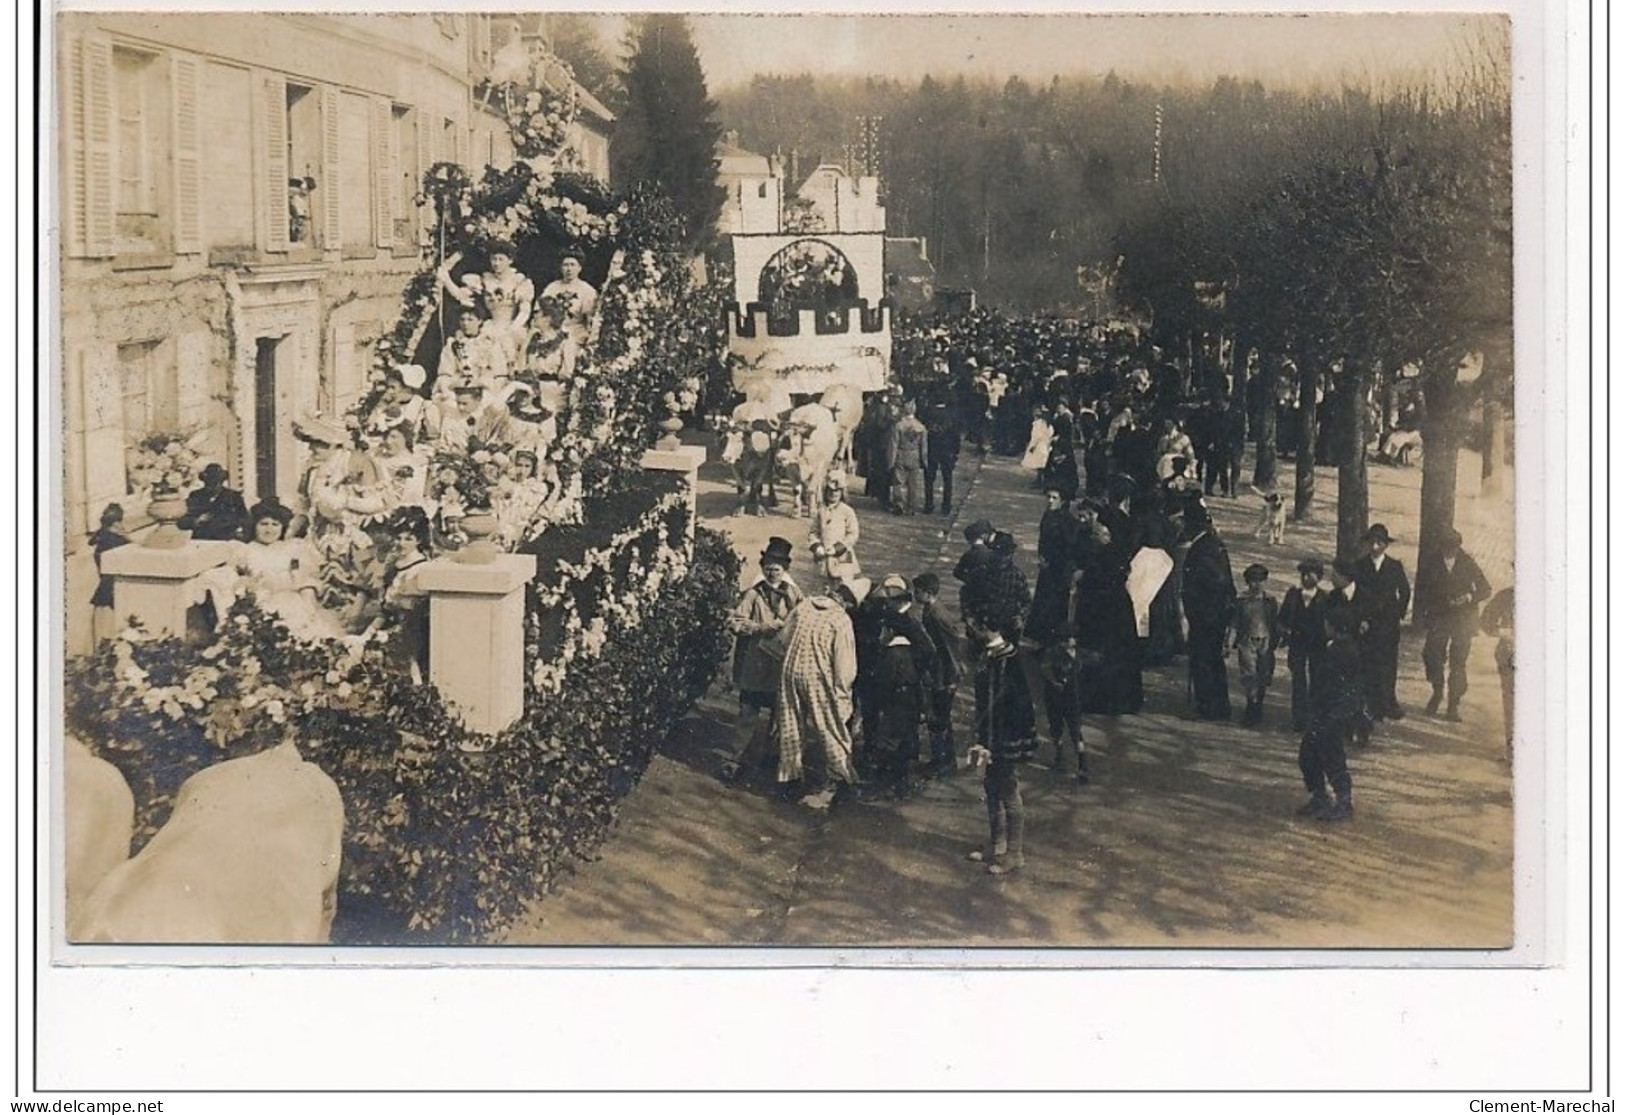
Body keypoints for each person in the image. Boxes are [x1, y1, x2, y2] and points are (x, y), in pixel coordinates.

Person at [964, 531, 1037, 876]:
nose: (973, 629)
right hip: (991, 738)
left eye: (978, 626)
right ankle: (996, 843)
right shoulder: (992, 656)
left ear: (988, 627)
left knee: (1008, 791)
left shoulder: (1006, 661)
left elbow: (1005, 708)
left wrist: (990, 744)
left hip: (1003, 740)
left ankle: (1015, 852)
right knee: (991, 788)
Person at [776, 575, 867, 811]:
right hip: (816, 677)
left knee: (791, 724)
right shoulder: (841, 619)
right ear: (849, 602)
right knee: (830, 727)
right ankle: (840, 778)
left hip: (790, 670)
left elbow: (783, 638)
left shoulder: (804, 605)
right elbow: (845, 665)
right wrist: (843, 694)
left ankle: (789, 778)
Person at [724, 537, 804, 784]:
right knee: (748, 711)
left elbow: (802, 621)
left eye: (777, 567)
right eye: (768, 566)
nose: (772, 571)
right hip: (755, 663)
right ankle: (736, 757)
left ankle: (773, 756)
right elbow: (736, 621)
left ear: (785, 570)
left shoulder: (794, 594)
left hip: (779, 663)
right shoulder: (753, 593)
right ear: (763, 567)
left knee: (780, 713)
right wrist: (759, 627)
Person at [235, 497, 345, 643]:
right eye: (263, 524)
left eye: (275, 524)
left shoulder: (293, 548)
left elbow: (304, 580)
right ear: (254, 526)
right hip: (262, 603)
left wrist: (309, 606)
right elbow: (242, 582)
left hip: (295, 602)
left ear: (283, 528)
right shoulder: (246, 550)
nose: (269, 529)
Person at [1414, 528, 1492, 722]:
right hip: (1439, 617)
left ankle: (1453, 704)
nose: (1450, 551)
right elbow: (1421, 591)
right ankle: (1437, 691)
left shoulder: (1467, 562)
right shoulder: (1431, 562)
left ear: (1459, 547)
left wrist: (1468, 597)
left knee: (1458, 662)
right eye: (1446, 547)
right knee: (1432, 655)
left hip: (1463, 619)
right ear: (1441, 546)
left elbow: (1485, 589)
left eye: (1454, 548)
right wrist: (1424, 614)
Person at [870, 575, 936, 799]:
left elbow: (884, 682)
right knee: (907, 737)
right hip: (911, 695)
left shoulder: (894, 650)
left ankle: (892, 785)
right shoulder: (907, 636)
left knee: (892, 740)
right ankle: (903, 783)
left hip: (897, 699)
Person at [1296, 609, 1363, 822]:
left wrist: (1335, 713)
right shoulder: (1338, 648)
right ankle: (1320, 796)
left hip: (1332, 713)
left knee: (1331, 757)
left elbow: (1341, 687)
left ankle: (1343, 802)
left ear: (1335, 627)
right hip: (1326, 711)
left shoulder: (1343, 653)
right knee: (1309, 754)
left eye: (1327, 624)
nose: (1325, 627)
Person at [1182, 506, 1237, 720]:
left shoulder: (1203, 549)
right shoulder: (1213, 544)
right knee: (1212, 659)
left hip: (1206, 615)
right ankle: (1217, 703)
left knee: (1204, 659)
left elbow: (1215, 582)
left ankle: (1209, 705)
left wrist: (1194, 610)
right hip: (1214, 614)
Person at [438, 244, 534, 366]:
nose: (496, 263)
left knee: (508, 345)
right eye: (494, 259)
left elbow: (525, 311)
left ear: (510, 260)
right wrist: (446, 279)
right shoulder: (485, 280)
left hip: (512, 326)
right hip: (491, 325)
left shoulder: (518, 280)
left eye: (501, 259)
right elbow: (461, 296)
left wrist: (512, 328)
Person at [1353, 522, 1412, 720]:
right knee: (1367, 661)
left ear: (1386, 545)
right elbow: (1355, 595)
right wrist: (1360, 618)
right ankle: (1369, 702)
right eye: (1372, 542)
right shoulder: (1360, 566)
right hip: (1367, 623)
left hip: (1388, 623)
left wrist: (1398, 613)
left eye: (1379, 543)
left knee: (1388, 663)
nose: (1375, 547)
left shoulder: (1395, 566)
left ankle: (1388, 701)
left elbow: (1404, 591)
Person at [912, 572, 963, 778]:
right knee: (940, 719)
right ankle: (943, 761)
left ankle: (942, 763)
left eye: (918, 591)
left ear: (928, 592)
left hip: (942, 676)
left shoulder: (936, 616)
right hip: (940, 673)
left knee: (939, 719)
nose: (915, 595)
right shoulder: (932, 610)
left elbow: (950, 648)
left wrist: (951, 678)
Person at [377, 506, 432, 683]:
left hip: (411, 629)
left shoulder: (420, 569)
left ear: (418, 540)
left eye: (408, 539)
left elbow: (413, 610)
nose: (401, 543)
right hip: (393, 624)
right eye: (399, 538)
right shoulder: (396, 563)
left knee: (408, 666)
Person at [1276, 558, 1329, 733]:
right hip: (1297, 643)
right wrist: (1284, 631)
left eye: (1310, 574)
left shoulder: (1325, 598)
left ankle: (1314, 717)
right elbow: (1282, 618)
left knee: (1317, 680)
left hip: (1317, 645)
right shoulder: (1292, 595)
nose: (1306, 578)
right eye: (1303, 574)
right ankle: (1299, 718)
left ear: (1319, 578)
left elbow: (1330, 624)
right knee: (1298, 680)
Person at [1233, 563, 1280, 727]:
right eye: (1252, 581)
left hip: (1266, 642)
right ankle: (1251, 707)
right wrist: (1228, 642)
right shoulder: (1242, 602)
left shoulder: (1270, 602)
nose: (1256, 584)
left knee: (1264, 674)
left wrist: (1278, 639)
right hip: (1247, 641)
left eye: (1260, 581)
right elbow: (1234, 623)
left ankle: (1258, 703)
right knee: (1249, 674)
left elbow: (1275, 623)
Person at [438, 308, 510, 392]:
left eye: (470, 320)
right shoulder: (452, 344)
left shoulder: (490, 343)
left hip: (486, 388)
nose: (465, 323)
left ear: (480, 321)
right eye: (462, 319)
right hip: (459, 388)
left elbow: (500, 373)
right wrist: (448, 390)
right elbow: (445, 373)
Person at [88, 502, 130, 644]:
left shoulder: (101, 536)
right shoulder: (117, 541)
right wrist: (127, 537)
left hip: (105, 585)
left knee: (101, 621)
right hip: (114, 586)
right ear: (117, 522)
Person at [807, 473, 861, 583]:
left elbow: (853, 534)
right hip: (823, 555)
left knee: (843, 584)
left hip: (842, 555)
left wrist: (838, 548)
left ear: (842, 493)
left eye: (837, 491)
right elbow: (813, 532)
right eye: (830, 491)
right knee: (822, 585)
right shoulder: (820, 511)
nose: (833, 494)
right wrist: (817, 546)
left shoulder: (847, 511)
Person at [1481, 586, 1515, 758]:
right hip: (1510, 656)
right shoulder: (1506, 596)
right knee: (1511, 703)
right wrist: (1505, 632)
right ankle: (1513, 750)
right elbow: (1486, 622)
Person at [178, 463, 249, 542]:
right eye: (209, 483)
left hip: (226, 540)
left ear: (222, 481)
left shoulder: (233, 497)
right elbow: (182, 520)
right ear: (204, 482)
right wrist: (196, 520)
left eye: (217, 482)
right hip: (202, 540)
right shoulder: (196, 496)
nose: (213, 486)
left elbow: (244, 519)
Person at [538, 252, 598, 343]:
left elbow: (590, 319)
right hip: (553, 331)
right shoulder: (552, 287)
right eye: (565, 265)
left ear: (579, 268)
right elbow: (541, 312)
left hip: (576, 331)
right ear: (561, 268)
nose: (569, 269)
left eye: (573, 265)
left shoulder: (587, 290)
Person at [920, 393, 961, 515]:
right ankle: (946, 506)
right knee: (947, 479)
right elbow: (956, 435)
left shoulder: (928, 414)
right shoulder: (952, 414)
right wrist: (956, 451)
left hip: (932, 449)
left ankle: (928, 504)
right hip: (947, 450)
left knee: (929, 479)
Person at [887, 398, 929, 515]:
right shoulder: (921, 427)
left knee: (898, 482)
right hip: (914, 456)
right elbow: (924, 447)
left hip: (901, 454)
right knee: (913, 483)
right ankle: (911, 507)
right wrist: (924, 461)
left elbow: (893, 444)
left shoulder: (898, 426)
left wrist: (890, 461)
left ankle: (899, 504)